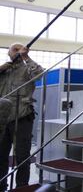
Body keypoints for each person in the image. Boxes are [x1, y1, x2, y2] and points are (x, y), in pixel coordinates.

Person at [0, 43, 44, 191]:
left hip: (22, 117)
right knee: (0, 156)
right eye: (15, 49)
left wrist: (26, 57)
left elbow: (40, 74)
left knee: (22, 157)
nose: (18, 52)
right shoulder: (3, 70)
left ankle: (22, 187)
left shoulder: (27, 69)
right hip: (2, 119)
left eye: (21, 49)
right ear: (8, 52)